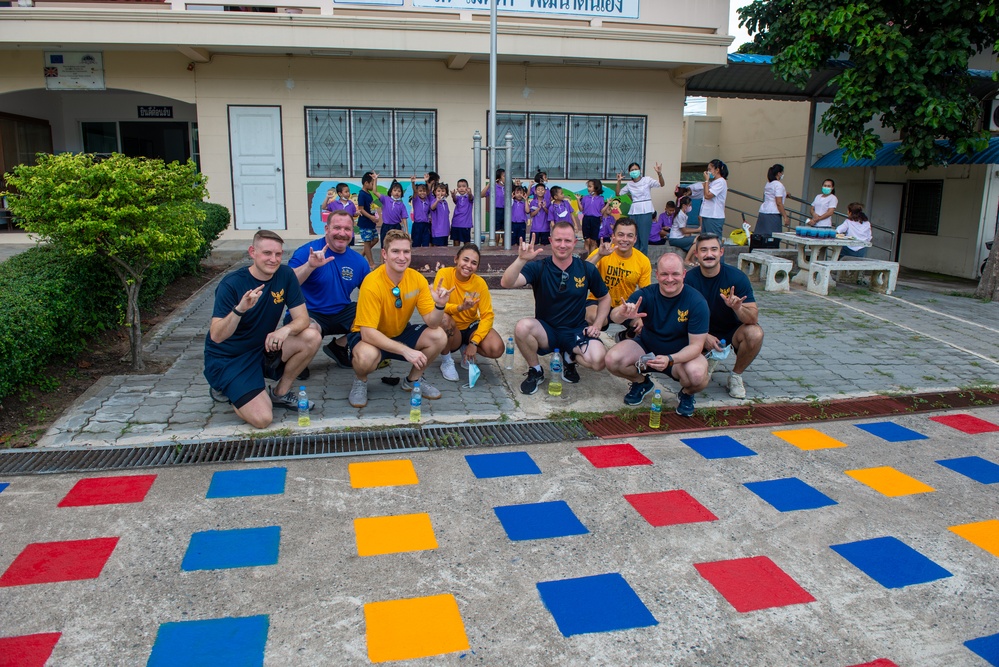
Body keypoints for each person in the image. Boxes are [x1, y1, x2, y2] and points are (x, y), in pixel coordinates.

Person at [204, 230, 322, 429]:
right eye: (267, 253)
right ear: (253, 252)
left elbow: (302, 319)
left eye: (278, 254)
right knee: (263, 419)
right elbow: (216, 335)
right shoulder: (232, 284)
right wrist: (240, 310)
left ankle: (280, 394)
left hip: (262, 348)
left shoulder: (285, 275)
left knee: (311, 335)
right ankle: (231, 389)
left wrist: (284, 330)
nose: (273, 259)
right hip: (230, 359)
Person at [501, 223, 611, 394]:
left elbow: (604, 298)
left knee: (599, 361)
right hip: (547, 331)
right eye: (558, 240)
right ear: (551, 241)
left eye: (567, 240)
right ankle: (536, 370)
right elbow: (506, 283)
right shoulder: (539, 266)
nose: (562, 245)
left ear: (575, 242)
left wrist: (596, 325)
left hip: (576, 331)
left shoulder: (586, 268)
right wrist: (521, 259)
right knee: (522, 327)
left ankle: (570, 358)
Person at [346, 229, 450, 408]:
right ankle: (360, 381)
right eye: (396, 251)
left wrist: (440, 305)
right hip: (370, 338)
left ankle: (413, 380)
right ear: (385, 254)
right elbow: (368, 334)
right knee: (365, 357)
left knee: (439, 335)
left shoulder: (417, 279)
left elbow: (432, 322)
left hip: (399, 332)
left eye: (406, 251)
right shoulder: (371, 283)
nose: (402, 257)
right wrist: (405, 351)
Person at [604, 253, 709, 415]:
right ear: (657, 274)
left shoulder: (696, 301)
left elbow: (696, 346)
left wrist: (670, 359)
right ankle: (641, 383)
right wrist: (623, 313)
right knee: (612, 359)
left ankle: (687, 394)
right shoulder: (646, 294)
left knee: (697, 376)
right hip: (647, 349)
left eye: (675, 274)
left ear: (683, 274)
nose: (669, 279)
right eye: (665, 274)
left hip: (679, 357)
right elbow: (613, 316)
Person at [288, 209, 370, 371]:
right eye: (337, 228)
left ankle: (339, 347)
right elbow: (287, 283)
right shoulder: (307, 251)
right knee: (310, 332)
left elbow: (372, 291)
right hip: (309, 312)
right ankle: (296, 359)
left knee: (376, 317)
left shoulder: (359, 261)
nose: (342, 233)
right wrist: (309, 266)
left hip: (341, 311)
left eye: (347, 229)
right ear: (327, 229)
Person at [683, 233, 762, 399]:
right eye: (703, 250)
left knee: (755, 333)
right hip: (699, 332)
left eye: (713, 249)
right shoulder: (689, 280)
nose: (709, 254)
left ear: (721, 252)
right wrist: (704, 336)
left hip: (731, 332)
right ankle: (706, 360)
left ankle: (735, 376)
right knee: (692, 378)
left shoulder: (736, 277)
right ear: (696, 254)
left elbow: (753, 318)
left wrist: (738, 308)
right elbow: (680, 317)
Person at [434, 243, 505, 381]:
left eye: (473, 263)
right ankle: (447, 361)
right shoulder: (444, 274)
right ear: (456, 259)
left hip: (471, 327)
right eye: (465, 260)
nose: (468, 265)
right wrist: (459, 308)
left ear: (477, 267)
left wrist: (474, 342)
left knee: (497, 348)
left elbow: (487, 316)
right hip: (452, 330)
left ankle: (466, 348)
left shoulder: (479, 283)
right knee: (443, 318)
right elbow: (437, 306)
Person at [585, 216, 652, 342]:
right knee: (591, 316)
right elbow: (581, 271)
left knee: (644, 325)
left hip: (626, 305)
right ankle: (592, 340)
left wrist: (644, 318)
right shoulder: (603, 251)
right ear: (613, 237)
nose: (625, 239)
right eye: (621, 235)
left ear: (635, 239)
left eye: (630, 236)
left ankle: (624, 336)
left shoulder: (643, 261)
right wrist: (599, 255)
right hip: (598, 301)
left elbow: (647, 291)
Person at [614, 161, 665, 254]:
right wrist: (619, 181)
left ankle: (643, 260)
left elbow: (661, 184)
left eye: (636, 169)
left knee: (644, 237)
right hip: (634, 211)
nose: (634, 171)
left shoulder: (647, 180)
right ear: (629, 172)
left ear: (640, 170)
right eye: (632, 170)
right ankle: (633, 258)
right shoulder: (629, 184)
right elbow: (618, 193)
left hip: (646, 210)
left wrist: (659, 173)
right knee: (634, 236)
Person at [757, 164, 789, 236]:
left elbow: (772, 194)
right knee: (773, 237)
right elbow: (779, 203)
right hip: (773, 212)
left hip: (763, 211)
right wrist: (785, 217)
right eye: (782, 173)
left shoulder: (768, 184)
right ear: (779, 173)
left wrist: (785, 194)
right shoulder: (778, 185)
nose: (782, 175)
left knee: (762, 237)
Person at [699, 158, 729, 237]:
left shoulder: (721, 181)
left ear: (717, 170)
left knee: (713, 240)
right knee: (705, 240)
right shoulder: (713, 182)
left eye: (710, 169)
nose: (708, 172)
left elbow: (708, 195)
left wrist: (706, 181)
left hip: (714, 216)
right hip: (707, 215)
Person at [356, 172, 380, 268]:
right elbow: (361, 209)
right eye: (371, 183)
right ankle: (371, 263)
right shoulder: (362, 194)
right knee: (367, 242)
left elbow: (375, 190)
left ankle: (361, 255)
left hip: (371, 223)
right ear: (366, 183)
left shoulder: (368, 193)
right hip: (365, 223)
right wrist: (371, 217)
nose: (372, 185)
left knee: (375, 239)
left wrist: (375, 179)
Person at [579, 179, 605, 256]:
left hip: (596, 220)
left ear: (596, 187)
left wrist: (608, 204)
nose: (588, 188)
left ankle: (592, 258)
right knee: (587, 240)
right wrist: (577, 200)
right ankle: (585, 258)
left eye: (590, 186)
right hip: (586, 219)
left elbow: (601, 211)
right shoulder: (585, 198)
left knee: (593, 241)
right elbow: (581, 209)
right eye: (588, 186)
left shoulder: (601, 199)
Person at [410, 178, 433, 247]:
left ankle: (424, 257)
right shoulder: (416, 199)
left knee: (426, 243)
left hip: (426, 225)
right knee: (416, 243)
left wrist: (427, 181)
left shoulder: (427, 200)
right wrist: (413, 183)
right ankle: (415, 257)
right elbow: (414, 191)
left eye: (424, 191)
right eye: (420, 191)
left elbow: (429, 190)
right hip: (417, 225)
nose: (422, 193)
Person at [450, 179, 474, 247]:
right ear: (457, 188)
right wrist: (453, 195)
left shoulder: (469, 198)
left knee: (466, 243)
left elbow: (471, 197)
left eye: (464, 186)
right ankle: (457, 256)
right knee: (456, 242)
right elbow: (454, 199)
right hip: (455, 224)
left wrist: (469, 193)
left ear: (467, 188)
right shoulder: (458, 198)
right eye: (459, 186)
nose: (461, 188)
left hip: (465, 225)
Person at [429, 182, 451, 247]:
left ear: (446, 193)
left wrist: (449, 229)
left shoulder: (445, 203)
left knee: (445, 248)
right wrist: (437, 201)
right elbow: (432, 207)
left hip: (445, 231)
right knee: (437, 249)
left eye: (443, 191)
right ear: (435, 192)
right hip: (437, 232)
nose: (441, 193)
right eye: (438, 191)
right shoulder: (434, 201)